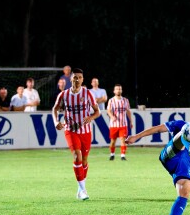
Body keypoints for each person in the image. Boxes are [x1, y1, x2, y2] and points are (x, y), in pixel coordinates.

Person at [52, 68, 100, 200]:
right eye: (75, 77)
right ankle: (84, 190)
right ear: (70, 78)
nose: (77, 79)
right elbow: (55, 109)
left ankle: (80, 188)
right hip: (70, 130)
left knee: (84, 160)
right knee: (77, 156)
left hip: (85, 131)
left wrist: (90, 118)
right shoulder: (64, 94)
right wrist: (56, 121)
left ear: (83, 79)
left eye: (79, 77)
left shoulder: (88, 94)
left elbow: (97, 111)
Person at [106, 84, 133, 161]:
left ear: (122, 90)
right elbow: (108, 110)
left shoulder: (125, 100)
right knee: (113, 141)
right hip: (113, 125)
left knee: (123, 140)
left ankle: (122, 155)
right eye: (117, 89)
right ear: (114, 91)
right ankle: (112, 154)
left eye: (120, 89)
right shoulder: (111, 100)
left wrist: (131, 121)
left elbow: (128, 111)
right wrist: (112, 116)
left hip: (123, 124)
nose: (118, 90)